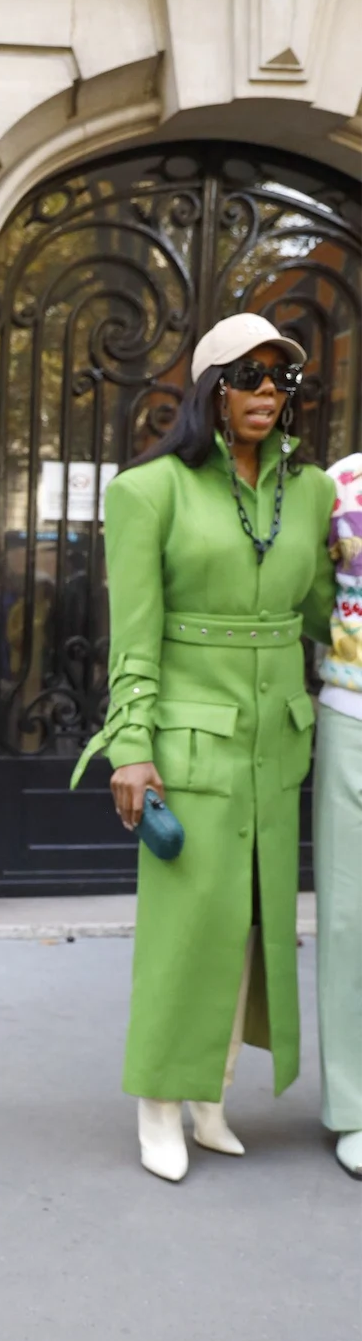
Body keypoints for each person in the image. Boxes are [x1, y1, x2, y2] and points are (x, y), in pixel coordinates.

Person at [73, 315, 335, 1181]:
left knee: (253, 930)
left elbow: (324, 613)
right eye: (247, 375)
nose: (266, 391)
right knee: (186, 932)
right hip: (189, 745)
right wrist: (131, 748)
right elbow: (134, 637)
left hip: (277, 744)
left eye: (280, 378)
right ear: (210, 388)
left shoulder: (309, 493)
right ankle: (160, 1099)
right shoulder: (149, 491)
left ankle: (211, 1095)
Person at [315, 456, 362, 1179]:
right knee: (348, 920)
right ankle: (354, 1107)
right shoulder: (341, 485)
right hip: (352, 710)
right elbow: (307, 593)